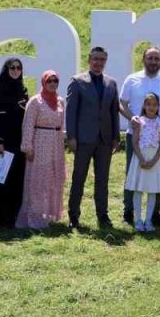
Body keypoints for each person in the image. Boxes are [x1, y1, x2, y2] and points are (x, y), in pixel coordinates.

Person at [119, 47, 160, 227]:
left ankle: (154, 214)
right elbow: (122, 104)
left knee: (155, 173)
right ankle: (129, 212)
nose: (153, 61)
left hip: (157, 137)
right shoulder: (132, 79)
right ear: (143, 59)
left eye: (156, 59)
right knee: (133, 172)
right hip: (135, 136)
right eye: (150, 58)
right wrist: (131, 117)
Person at [66, 47, 121, 229]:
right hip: (83, 139)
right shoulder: (77, 81)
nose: (98, 62)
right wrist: (71, 137)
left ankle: (102, 216)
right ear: (89, 60)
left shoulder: (111, 83)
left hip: (105, 139)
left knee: (103, 179)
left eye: (102, 59)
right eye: (95, 59)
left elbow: (114, 112)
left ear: (106, 61)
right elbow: (71, 112)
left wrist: (115, 136)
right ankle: (73, 216)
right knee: (79, 178)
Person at [0, 58, 29, 227]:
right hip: (2, 145)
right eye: (12, 68)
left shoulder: (23, 91)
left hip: (18, 144)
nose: (15, 71)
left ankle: (13, 216)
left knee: (16, 180)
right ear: (6, 70)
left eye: (18, 68)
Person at [17, 70, 67, 230]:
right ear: (43, 82)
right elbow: (28, 125)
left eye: (55, 81)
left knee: (52, 179)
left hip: (56, 145)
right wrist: (27, 147)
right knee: (38, 180)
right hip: (39, 143)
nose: (52, 84)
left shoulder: (60, 101)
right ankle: (34, 216)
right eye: (49, 81)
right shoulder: (35, 102)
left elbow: (61, 125)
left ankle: (48, 214)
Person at [125, 93, 160, 232]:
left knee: (152, 190)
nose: (151, 107)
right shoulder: (139, 121)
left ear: (158, 106)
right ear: (144, 105)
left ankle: (148, 220)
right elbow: (134, 141)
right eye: (148, 104)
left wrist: (154, 160)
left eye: (155, 104)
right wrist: (141, 159)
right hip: (140, 157)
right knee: (138, 188)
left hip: (155, 158)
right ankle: (138, 220)